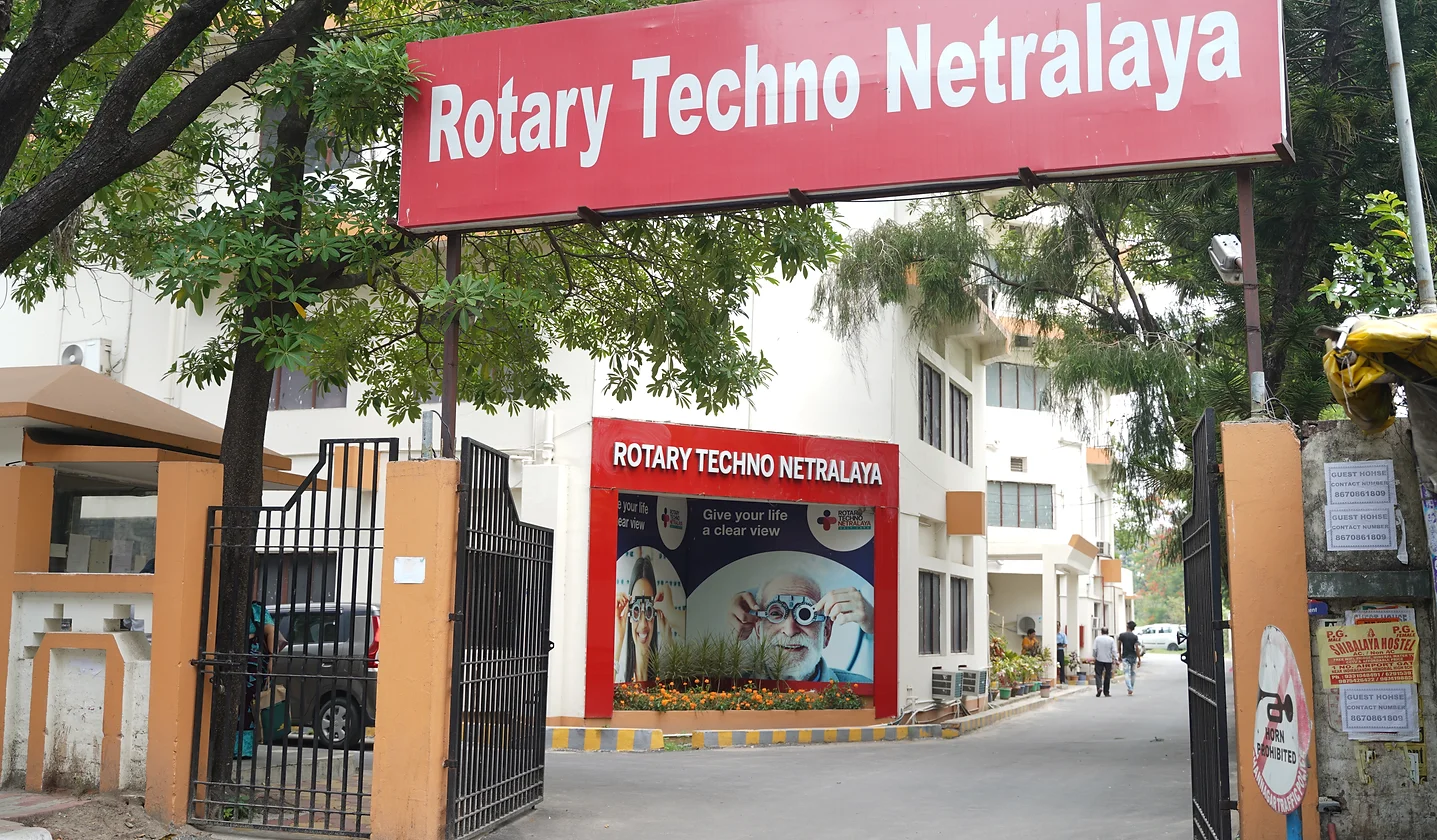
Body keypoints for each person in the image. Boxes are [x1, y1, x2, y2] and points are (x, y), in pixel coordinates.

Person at [729, 573, 873, 683]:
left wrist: (880, 625)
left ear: (826, 632)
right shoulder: (727, 684)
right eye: (775, 613)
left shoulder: (862, 688)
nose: (790, 631)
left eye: (805, 614)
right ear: (758, 630)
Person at [614, 554, 676, 682]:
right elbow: (603, 689)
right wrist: (619, 639)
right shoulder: (618, 676)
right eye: (636, 610)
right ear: (629, 612)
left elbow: (682, 687)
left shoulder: (664, 675)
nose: (643, 624)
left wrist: (668, 639)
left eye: (648, 610)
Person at [239, 599, 283, 759]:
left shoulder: (255, 609)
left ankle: (245, 748)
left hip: (253, 666)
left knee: (248, 704)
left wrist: (271, 658)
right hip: (236, 662)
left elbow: (271, 631)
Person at [1118, 620, 1143, 695]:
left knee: (1126, 672)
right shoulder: (1135, 637)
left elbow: (1119, 646)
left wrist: (1119, 655)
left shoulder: (1122, 635)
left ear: (1127, 626)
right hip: (1133, 656)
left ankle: (1130, 688)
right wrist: (1139, 659)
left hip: (1125, 656)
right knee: (1133, 673)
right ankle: (1131, 687)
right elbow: (1137, 648)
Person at [1092, 626, 1118, 698]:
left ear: (1101, 632)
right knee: (1107, 675)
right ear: (1108, 632)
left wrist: (1095, 656)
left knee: (1098, 674)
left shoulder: (1097, 639)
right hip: (1108, 660)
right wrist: (1116, 658)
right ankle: (1106, 692)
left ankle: (1099, 687)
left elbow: (1094, 649)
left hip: (1099, 659)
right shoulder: (1111, 639)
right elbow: (1114, 650)